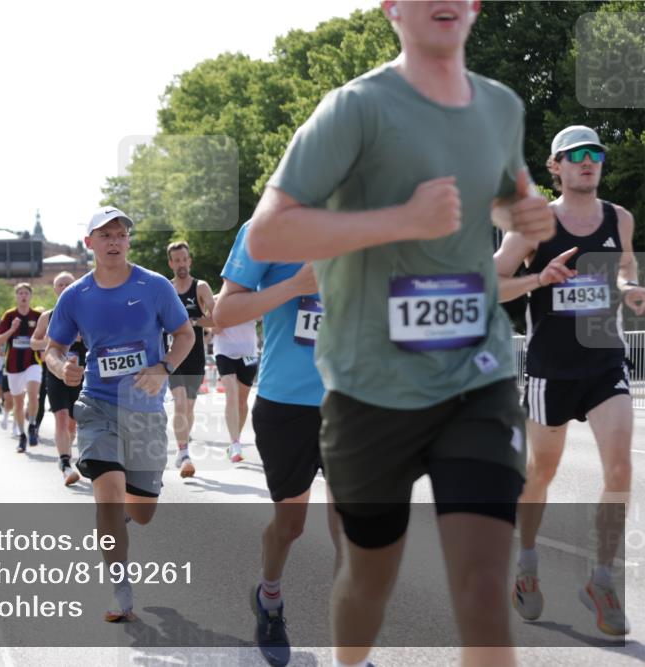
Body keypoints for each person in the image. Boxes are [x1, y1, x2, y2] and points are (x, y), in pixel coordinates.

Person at [245, 2, 557, 665]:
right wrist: (401, 220)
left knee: (481, 592)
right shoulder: (353, 109)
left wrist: (520, 212)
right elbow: (271, 230)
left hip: (478, 374)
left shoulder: (500, 106)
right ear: (391, 7)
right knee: (368, 583)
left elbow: (504, 194)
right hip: (371, 388)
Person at [495, 125, 644, 636]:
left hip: (605, 363)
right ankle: (528, 566)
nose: (589, 161)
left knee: (621, 469)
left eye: (596, 153)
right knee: (541, 474)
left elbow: (623, 269)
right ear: (555, 167)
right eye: (576, 155)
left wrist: (629, 289)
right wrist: (538, 278)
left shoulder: (619, 218)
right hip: (550, 371)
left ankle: (600, 578)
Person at [45, 206, 193, 621]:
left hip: (145, 411)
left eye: (120, 234)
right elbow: (53, 349)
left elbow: (184, 334)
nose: (113, 241)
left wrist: (163, 367)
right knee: (107, 495)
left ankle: (127, 516)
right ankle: (120, 588)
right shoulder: (75, 296)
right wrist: (63, 368)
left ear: (128, 241)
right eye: (104, 235)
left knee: (142, 512)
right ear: (89, 243)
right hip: (98, 404)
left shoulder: (155, 286)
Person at [215, 226, 340, 666]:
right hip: (288, 404)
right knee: (291, 526)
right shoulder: (268, 227)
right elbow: (224, 312)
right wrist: (296, 285)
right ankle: (269, 597)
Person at [166, 240, 216, 477]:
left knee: (189, 408)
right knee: (179, 404)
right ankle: (183, 452)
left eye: (184, 259)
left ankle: (183, 443)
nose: (181, 264)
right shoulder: (166, 288)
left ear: (190, 260)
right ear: (171, 263)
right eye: (176, 260)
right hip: (174, 355)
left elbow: (217, 320)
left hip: (195, 355)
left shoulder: (201, 287)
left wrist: (193, 322)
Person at [31, 271, 82, 485]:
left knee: (72, 423)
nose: (63, 287)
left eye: (67, 284)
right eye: (59, 284)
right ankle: (65, 462)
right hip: (54, 373)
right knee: (60, 418)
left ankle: (67, 451)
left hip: (80, 373)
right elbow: (34, 342)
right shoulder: (47, 316)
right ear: (54, 290)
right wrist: (52, 343)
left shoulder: (85, 314)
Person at [0, 283, 44, 453]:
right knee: (18, 402)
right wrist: (12, 329)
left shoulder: (38, 316)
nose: (23, 296)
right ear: (16, 296)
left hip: (33, 361)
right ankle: (22, 436)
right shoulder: (9, 316)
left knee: (33, 394)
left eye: (26, 293)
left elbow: (46, 338)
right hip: (14, 365)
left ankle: (32, 425)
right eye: (20, 293)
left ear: (31, 296)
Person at [210, 295, 259, 463]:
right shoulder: (216, 299)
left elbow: (261, 316)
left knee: (241, 401)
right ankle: (235, 443)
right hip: (224, 352)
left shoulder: (254, 298)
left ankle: (235, 439)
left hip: (249, 353)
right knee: (231, 394)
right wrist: (213, 327)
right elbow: (211, 324)